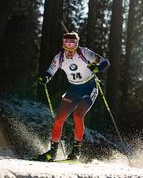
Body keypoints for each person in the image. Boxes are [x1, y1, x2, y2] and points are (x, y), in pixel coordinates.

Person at [37, 32, 110, 161]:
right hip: (74, 89)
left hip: (89, 87)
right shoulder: (59, 58)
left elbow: (105, 62)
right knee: (59, 118)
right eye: (67, 44)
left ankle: (76, 150)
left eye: (72, 44)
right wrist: (45, 78)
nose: (69, 48)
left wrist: (97, 68)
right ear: (63, 44)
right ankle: (53, 152)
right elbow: (50, 71)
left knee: (77, 115)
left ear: (77, 44)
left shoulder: (85, 53)